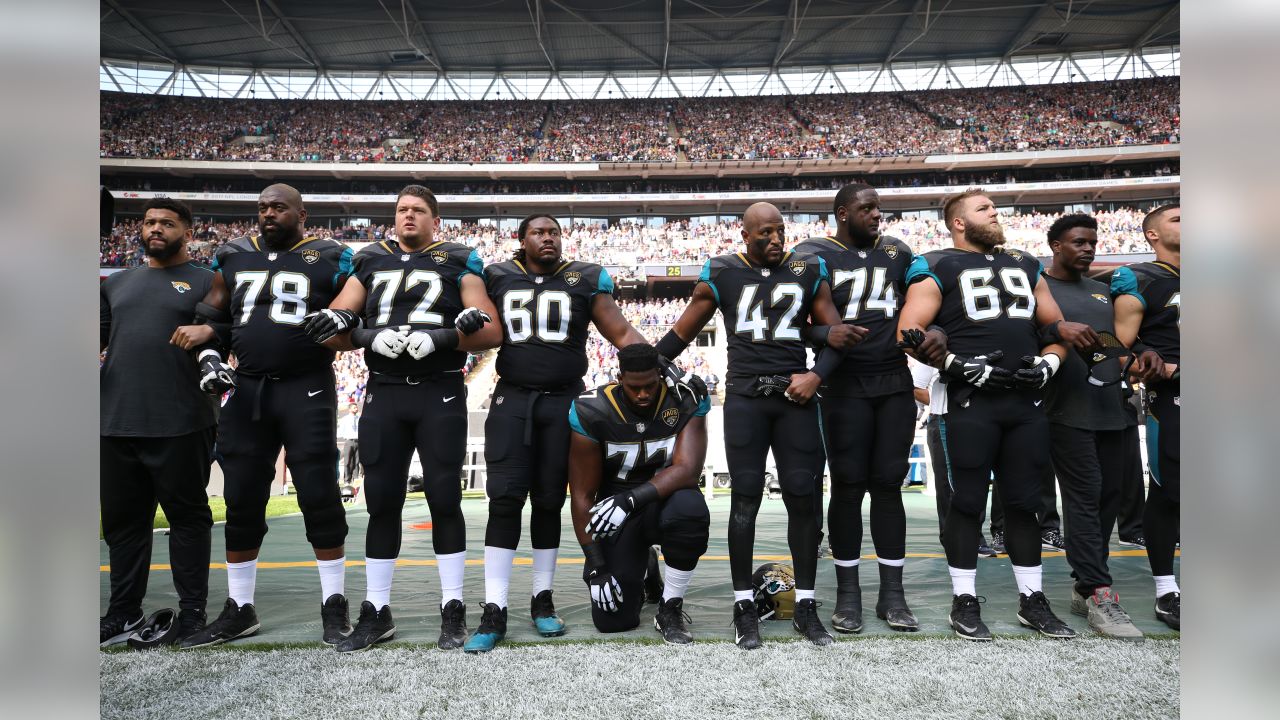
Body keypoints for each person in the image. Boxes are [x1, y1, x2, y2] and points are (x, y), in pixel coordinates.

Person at [303, 185, 503, 652]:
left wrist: (443, 338)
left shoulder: (459, 258)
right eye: (400, 210)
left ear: (436, 220)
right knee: (382, 501)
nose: (407, 216)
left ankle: (452, 607)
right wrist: (369, 336)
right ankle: (377, 610)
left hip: (441, 391)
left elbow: (492, 329)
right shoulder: (370, 258)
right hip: (385, 393)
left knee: (444, 498)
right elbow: (332, 328)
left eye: (417, 210)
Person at [656, 202, 859, 649]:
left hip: (794, 397)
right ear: (744, 235)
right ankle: (743, 604)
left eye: (780, 231)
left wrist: (817, 375)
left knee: (803, 498)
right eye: (765, 233)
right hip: (747, 398)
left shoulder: (809, 269)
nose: (775, 240)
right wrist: (650, 361)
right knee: (744, 498)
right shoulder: (723, 271)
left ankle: (806, 604)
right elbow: (681, 332)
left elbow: (837, 335)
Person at [175, 184, 355, 648]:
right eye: (262, 208)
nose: (268, 214)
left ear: (301, 212)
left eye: (278, 207)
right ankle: (240, 607)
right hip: (248, 385)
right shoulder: (232, 254)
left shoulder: (332, 255)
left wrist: (344, 320)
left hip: (307, 386)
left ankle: (334, 603)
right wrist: (209, 357)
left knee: (318, 491)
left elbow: (357, 311)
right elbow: (210, 322)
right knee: (241, 495)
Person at [897, 188, 1076, 641]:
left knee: (1023, 504)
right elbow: (908, 331)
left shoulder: (1024, 262)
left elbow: (1054, 329)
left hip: (1024, 401)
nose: (995, 212)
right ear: (958, 222)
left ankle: (1032, 599)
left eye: (994, 207)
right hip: (968, 403)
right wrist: (958, 366)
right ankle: (964, 599)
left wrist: (1049, 363)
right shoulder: (937, 264)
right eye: (983, 208)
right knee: (967, 503)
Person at [464, 214, 648, 653]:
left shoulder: (583, 278)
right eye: (539, 232)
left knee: (549, 500)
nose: (548, 238)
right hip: (512, 400)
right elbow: (476, 324)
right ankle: (495, 607)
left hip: (565, 401)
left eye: (555, 233)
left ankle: (542, 598)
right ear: (520, 240)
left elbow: (620, 330)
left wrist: (657, 362)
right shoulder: (497, 276)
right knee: (505, 499)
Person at [794, 183, 947, 634]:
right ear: (842, 212)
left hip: (893, 381)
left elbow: (926, 304)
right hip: (842, 384)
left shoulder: (898, 251)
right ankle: (848, 594)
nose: (878, 215)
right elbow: (793, 323)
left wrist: (937, 329)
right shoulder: (813, 253)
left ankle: (892, 596)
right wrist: (825, 337)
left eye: (879, 207)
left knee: (888, 485)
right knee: (846, 486)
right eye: (867, 208)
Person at [100, 198, 218, 646]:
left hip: (181, 419)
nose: (156, 229)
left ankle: (192, 615)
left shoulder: (208, 281)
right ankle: (123, 612)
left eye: (167, 223)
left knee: (188, 519)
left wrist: (214, 333)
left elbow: (226, 335)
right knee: (123, 525)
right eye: (149, 222)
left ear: (187, 230)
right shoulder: (116, 282)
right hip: (115, 420)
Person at [1041, 213, 1147, 639]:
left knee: (1110, 499)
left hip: (1114, 410)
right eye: (1078, 242)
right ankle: (1100, 592)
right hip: (1065, 411)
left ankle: (1087, 584)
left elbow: (1125, 347)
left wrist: (1143, 355)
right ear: (1055, 245)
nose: (1088, 248)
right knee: (1083, 499)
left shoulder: (1106, 292)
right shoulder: (1038, 291)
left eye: (1092, 242)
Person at [567, 344, 711, 643]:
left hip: (664, 499)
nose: (643, 394)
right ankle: (646, 566)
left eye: (650, 386)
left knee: (691, 509)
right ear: (619, 378)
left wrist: (631, 499)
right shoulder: (592, 409)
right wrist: (596, 564)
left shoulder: (684, 398)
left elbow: (688, 470)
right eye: (635, 388)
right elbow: (582, 494)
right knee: (612, 621)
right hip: (614, 511)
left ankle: (670, 607)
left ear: (660, 375)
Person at [1111, 202, 1180, 631]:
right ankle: (1166, 589)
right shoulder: (1141, 276)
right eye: (1178, 218)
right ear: (1152, 234)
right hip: (1176, 395)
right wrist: (1149, 364)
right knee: (1170, 492)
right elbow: (1116, 352)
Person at [908, 357, 996, 558]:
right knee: (947, 482)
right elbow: (915, 387)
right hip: (942, 417)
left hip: (976, 417)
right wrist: (948, 400)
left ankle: (973, 535)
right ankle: (953, 537)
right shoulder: (931, 349)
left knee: (977, 479)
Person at [337, 403, 360, 485]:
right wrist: (346, 436)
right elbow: (340, 430)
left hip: (358, 441)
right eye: (354, 407)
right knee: (347, 462)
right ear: (349, 409)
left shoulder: (359, 418)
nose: (356, 408)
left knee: (356, 462)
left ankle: (356, 480)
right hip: (349, 441)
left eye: (356, 407)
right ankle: (347, 481)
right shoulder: (345, 419)